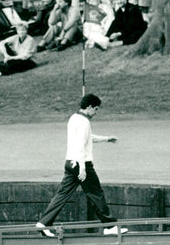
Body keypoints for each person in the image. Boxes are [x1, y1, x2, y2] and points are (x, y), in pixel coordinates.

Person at [35, 94, 127, 237]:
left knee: (62, 194)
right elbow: (80, 146)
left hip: (70, 163)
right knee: (96, 193)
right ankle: (110, 226)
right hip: (81, 164)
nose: (95, 113)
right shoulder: (84, 122)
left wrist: (107, 139)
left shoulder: (74, 118)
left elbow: (86, 139)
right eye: (95, 109)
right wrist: (83, 168)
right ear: (89, 107)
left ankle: (43, 223)